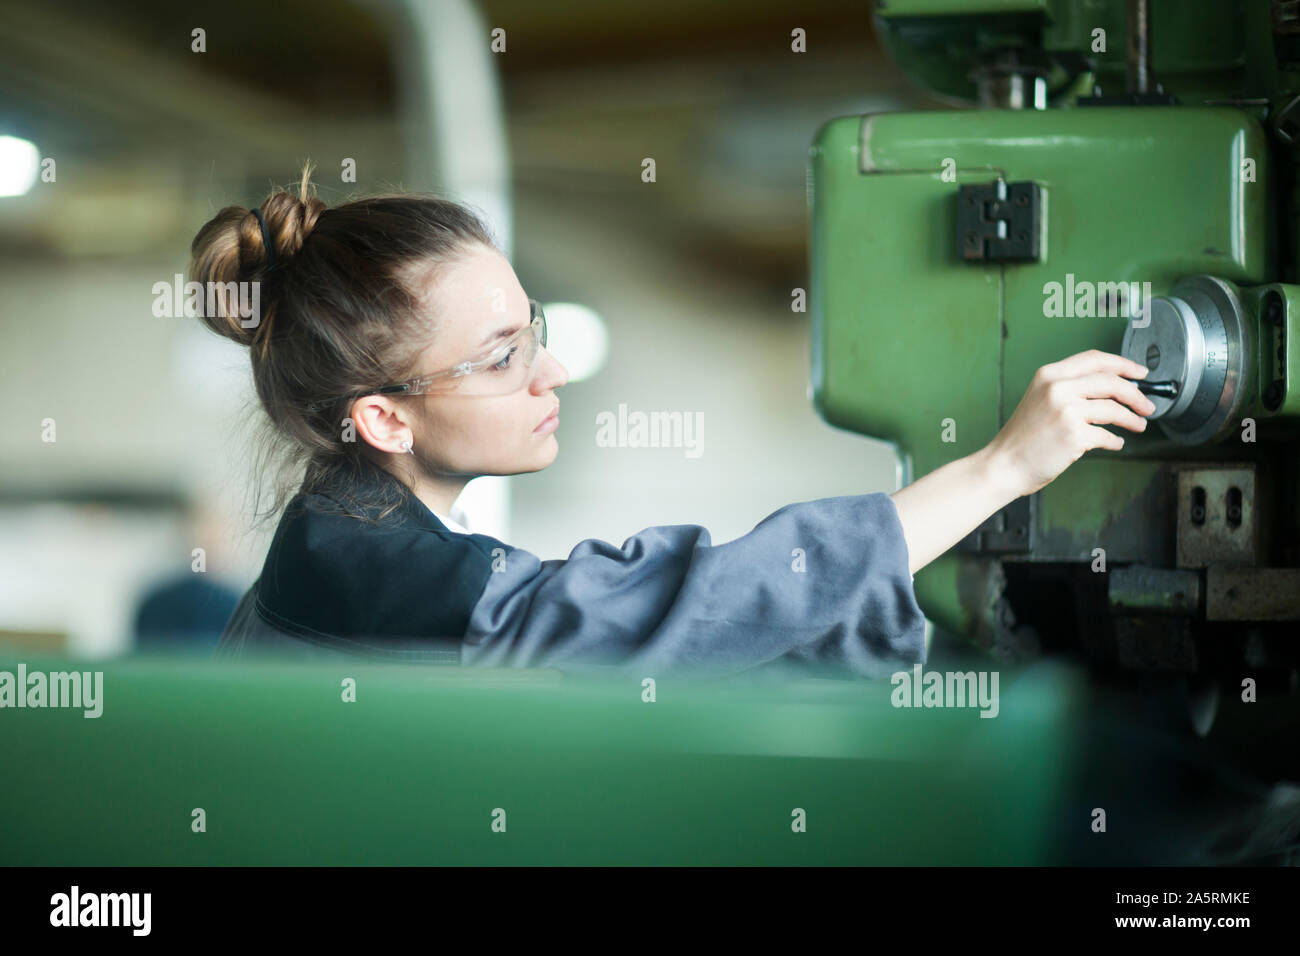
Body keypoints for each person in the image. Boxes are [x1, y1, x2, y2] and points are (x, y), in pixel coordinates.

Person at [192, 164, 1155, 678]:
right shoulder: (362, 569)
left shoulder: (346, 536)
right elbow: (682, 610)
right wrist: (998, 471)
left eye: (534, 330)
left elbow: (687, 641)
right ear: (384, 420)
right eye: (502, 357)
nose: (552, 371)